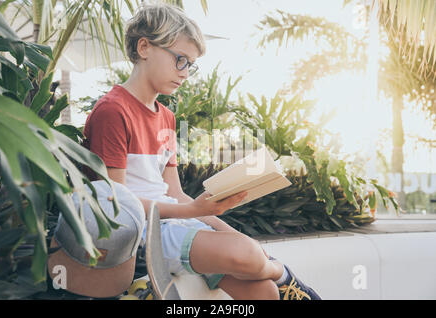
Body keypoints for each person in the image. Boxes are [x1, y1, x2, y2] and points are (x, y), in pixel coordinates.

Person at [82, 3, 321, 300]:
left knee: (263, 291)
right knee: (249, 256)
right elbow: (115, 201)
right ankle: (283, 272)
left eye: (190, 65)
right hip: (141, 233)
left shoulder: (165, 117)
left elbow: (176, 193)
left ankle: (273, 273)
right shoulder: (113, 111)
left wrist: (220, 225)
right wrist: (195, 211)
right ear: (144, 47)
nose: (185, 73)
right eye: (179, 59)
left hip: (173, 222)